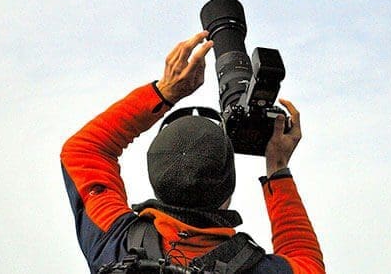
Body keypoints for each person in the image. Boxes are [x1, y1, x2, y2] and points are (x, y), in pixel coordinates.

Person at [60, 31, 325, 273]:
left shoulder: (114, 245)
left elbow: (83, 151)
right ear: (228, 189)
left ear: (156, 179)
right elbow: (306, 261)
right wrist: (277, 170)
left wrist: (164, 92)